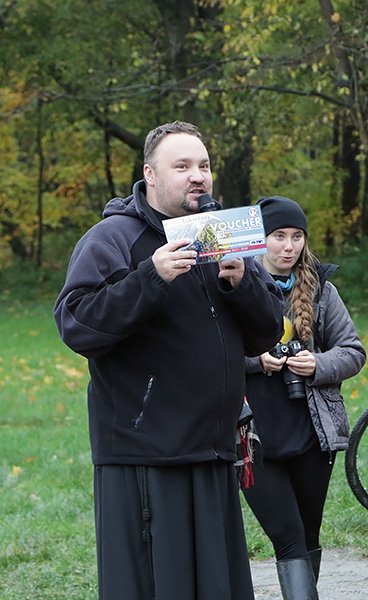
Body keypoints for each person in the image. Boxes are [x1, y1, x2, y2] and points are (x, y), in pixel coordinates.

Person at [54, 121, 284, 600]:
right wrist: (151, 276)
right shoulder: (114, 237)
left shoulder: (221, 234)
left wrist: (241, 284)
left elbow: (265, 333)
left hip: (213, 449)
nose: (197, 176)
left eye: (203, 165)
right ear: (150, 174)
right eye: (182, 166)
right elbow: (77, 324)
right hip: (147, 453)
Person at [242, 196, 366, 600]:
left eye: (297, 237)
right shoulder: (235, 286)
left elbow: (352, 351)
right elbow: (211, 354)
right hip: (254, 438)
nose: (288, 246)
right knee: (289, 537)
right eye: (278, 236)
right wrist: (257, 361)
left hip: (312, 434)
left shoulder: (320, 289)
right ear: (260, 240)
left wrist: (317, 364)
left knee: (308, 534)